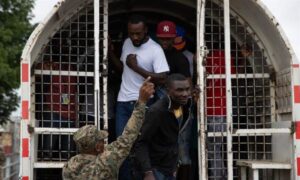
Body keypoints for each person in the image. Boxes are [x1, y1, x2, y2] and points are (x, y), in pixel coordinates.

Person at [109, 15, 169, 180]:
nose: (134, 37)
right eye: (131, 33)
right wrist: (109, 51)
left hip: (144, 102)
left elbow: (163, 78)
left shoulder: (155, 49)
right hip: (123, 102)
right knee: (122, 146)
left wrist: (137, 68)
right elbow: (123, 69)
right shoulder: (127, 43)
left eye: (138, 34)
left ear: (145, 31)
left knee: (142, 145)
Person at [62, 77, 155, 180]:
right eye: (102, 140)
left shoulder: (69, 166)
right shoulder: (106, 162)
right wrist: (141, 101)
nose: (104, 143)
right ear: (97, 147)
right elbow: (128, 136)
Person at [133, 74, 194, 180]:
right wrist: (148, 172)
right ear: (168, 91)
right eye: (179, 90)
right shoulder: (157, 111)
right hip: (156, 170)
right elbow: (141, 143)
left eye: (187, 89)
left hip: (169, 169)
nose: (185, 94)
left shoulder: (185, 106)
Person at [206, 50, 236, 179]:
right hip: (222, 109)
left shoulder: (205, 57)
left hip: (213, 109)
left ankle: (218, 176)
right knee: (217, 148)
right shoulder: (227, 57)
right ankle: (221, 175)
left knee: (213, 149)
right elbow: (234, 76)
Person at [155, 21, 191, 99]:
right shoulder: (151, 53)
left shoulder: (180, 58)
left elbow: (188, 83)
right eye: (162, 39)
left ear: (174, 38)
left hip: (171, 98)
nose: (164, 42)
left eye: (168, 39)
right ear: (157, 38)